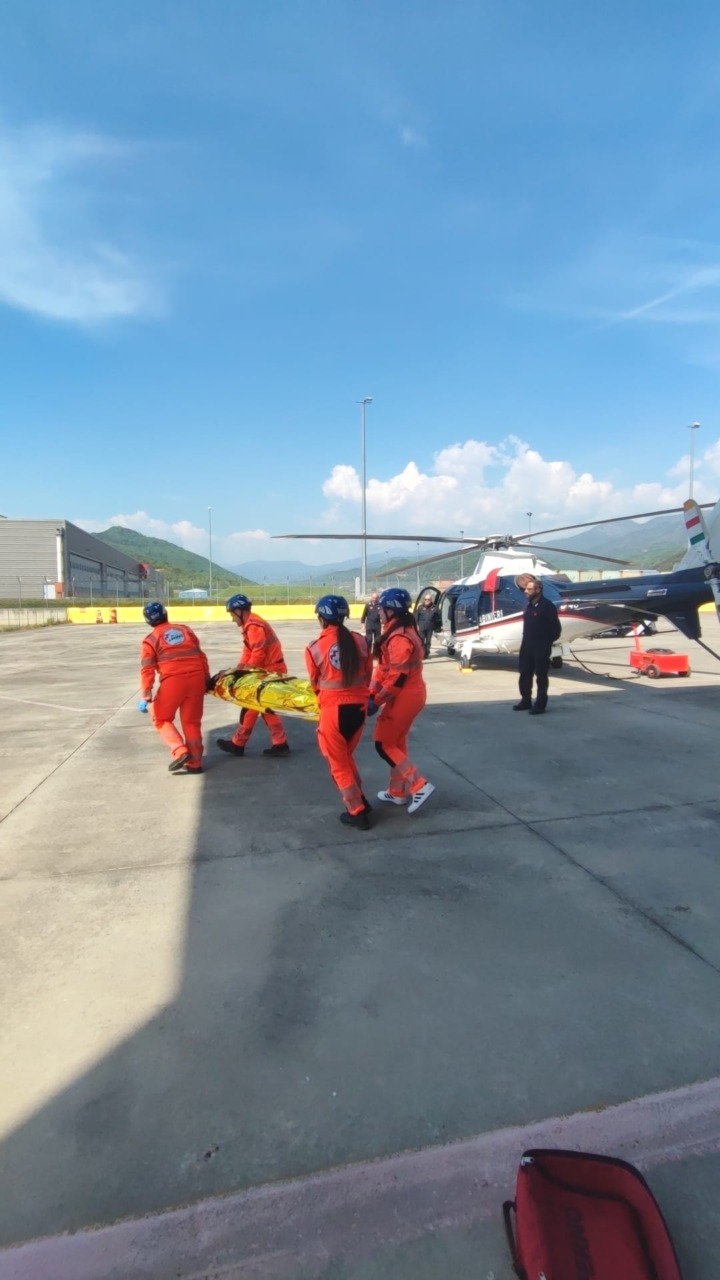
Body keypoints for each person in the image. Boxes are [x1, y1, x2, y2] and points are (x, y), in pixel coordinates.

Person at [305, 594, 374, 831]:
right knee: (346, 758)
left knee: (339, 765)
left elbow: (315, 683)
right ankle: (361, 799)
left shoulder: (315, 648)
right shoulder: (360, 641)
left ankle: (357, 812)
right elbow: (368, 674)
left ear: (321, 618)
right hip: (358, 709)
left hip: (334, 712)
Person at [369, 587, 435, 814]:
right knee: (396, 743)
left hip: (405, 696)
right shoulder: (398, 632)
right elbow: (383, 670)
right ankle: (397, 792)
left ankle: (419, 785)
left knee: (383, 743)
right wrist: (371, 693)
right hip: (409, 694)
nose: (378, 612)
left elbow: (396, 679)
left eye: (381, 609)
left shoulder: (399, 638)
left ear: (390, 611)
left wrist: (377, 701)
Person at [139, 602, 210, 773]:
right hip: (197, 679)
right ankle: (195, 763)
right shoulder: (186, 631)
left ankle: (180, 751)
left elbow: (147, 669)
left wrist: (146, 695)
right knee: (192, 722)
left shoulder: (150, 640)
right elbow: (201, 656)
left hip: (173, 682)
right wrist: (206, 680)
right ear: (166, 614)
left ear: (148, 620)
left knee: (161, 718)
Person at [216, 593, 291, 757]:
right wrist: (239, 670)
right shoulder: (250, 626)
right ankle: (280, 743)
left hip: (269, 671)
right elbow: (248, 652)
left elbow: (258, 653)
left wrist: (245, 673)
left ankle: (238, 743)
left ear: (239, 611)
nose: (232, 619)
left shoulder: (254, 626)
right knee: (266, 709)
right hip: (268, 670)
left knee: (250, 705)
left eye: (232, 614)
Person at [513, 574, 562, 716]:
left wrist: (546, 643)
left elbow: (556, 630)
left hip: (541, 646)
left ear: (538, 590)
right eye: (525, 589)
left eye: (529, 589)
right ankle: (525, 700)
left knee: (541, 676)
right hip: (527, 644)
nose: (525, 591)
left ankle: (540, 705)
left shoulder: (547, 606)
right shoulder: (528, 605)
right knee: (524, 673)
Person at [415, 592, 440, 658]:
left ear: (431, 600)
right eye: (425, 599)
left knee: (428, 641)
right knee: (421, 640)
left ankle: (427, 652)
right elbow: (416, 617)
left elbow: (437, 618)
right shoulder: (420, 607)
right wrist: (416, 625)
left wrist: (438, 627)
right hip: (421, 626)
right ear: (424, 599)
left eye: (428, 599)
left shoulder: (435, 608)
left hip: (430, 627)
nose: (427, 600)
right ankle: (422, 653)